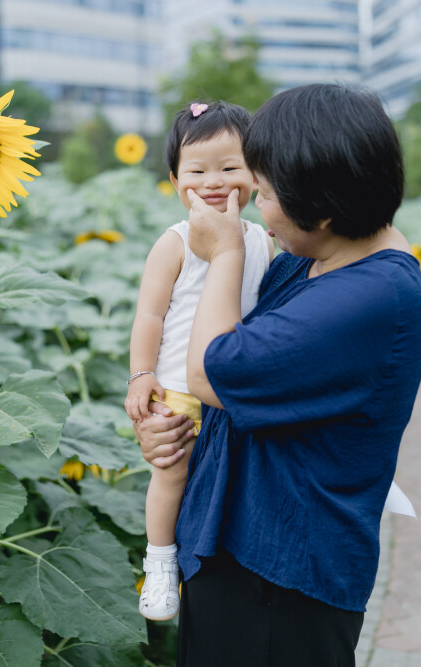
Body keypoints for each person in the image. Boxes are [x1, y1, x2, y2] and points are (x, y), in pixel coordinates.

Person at [134, 83, 421, 665]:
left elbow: (212, 372)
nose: (254, 212)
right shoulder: (319, 256)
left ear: (320, 208)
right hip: (237, 548)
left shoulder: (370, 297)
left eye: (263, 194)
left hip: (282, 577)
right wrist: (163, 422)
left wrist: (224, 254)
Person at [124, 100, 273, 621]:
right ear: (174, 180)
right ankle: (161, 562)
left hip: (232, 387)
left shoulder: (261, 241)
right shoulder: (176, 242)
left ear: (256, 174)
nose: (215, 181)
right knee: (171, 469)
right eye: (198, 170)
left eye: (230, 168)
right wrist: (141, 374)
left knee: (231, 475)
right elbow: (149, 316)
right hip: (176, 386)